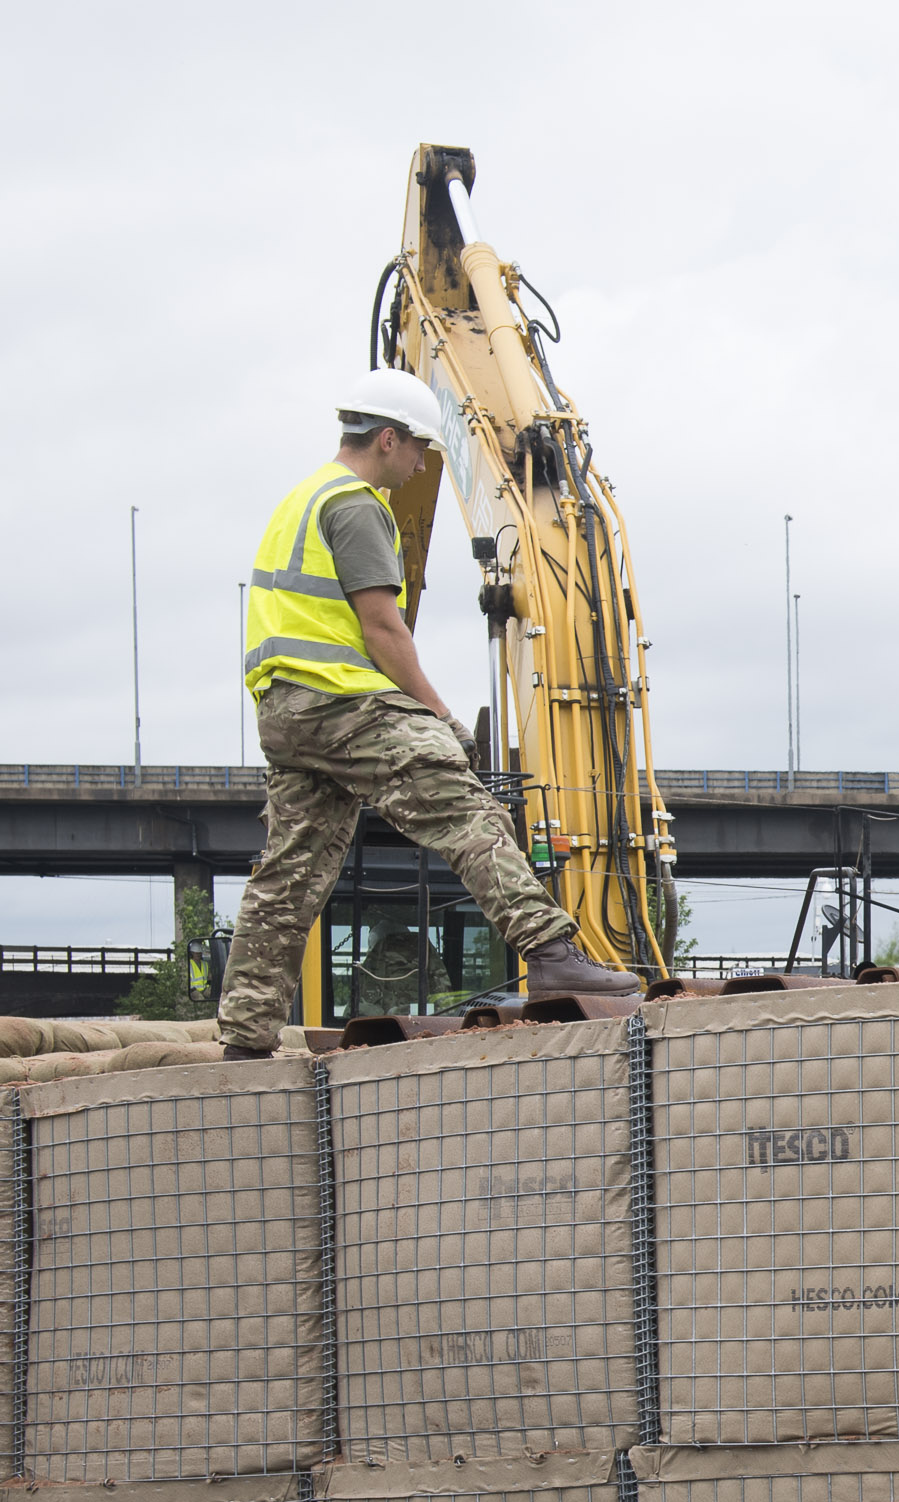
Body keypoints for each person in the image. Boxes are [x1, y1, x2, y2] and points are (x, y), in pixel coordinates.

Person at [217, 368, 636, 1056]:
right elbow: (383, 629)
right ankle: (550, 951)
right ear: (387, 439)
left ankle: (245, 1038)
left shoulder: (302, 497)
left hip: (285, 711)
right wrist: (439, 714)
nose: (420, 465)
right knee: (459, 799)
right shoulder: (354, 505)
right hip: (336, 698)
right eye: (418, 450)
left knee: (289, 875)